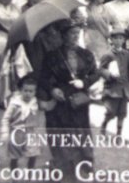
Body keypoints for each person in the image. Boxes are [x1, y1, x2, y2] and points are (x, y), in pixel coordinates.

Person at [39, 21, 100, 177]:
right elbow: (44, 78)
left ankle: (83, 170)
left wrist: (84, 82)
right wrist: (53, 90)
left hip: (79, 101)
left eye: (77, 33)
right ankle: (63, 171)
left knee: (81, 135)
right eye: (72, 33)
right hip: (60, 102)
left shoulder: (87, 55)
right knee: (61, 136)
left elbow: (95, 74)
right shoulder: (52, 56)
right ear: (63, 35)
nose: (75, 37)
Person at [99, 27, 129, 136]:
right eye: (116, 38)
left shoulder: (126, 53)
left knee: (122, 113)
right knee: (111, 112)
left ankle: (119, 133)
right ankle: (104, 124)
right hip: (112, 89)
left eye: (121, 38)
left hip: (124, 88)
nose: (119, 41)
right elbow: (101, 69)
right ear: (111, 40)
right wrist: (109, 74)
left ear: (124, 40)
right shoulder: (108, 55)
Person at [1, 74, 42, 170]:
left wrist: (54, 100)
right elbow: (6, 119)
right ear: (20, 90)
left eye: (31, 91)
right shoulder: (15, 103)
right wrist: (5, 132)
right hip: (16, 132)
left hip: (30, 132)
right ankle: (15, 177)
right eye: (25, 91)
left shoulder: (35, 102)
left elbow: (47, 106)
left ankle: (30, 175)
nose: (28, 94)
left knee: (33, 154)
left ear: (35, 92)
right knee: (14, 156)